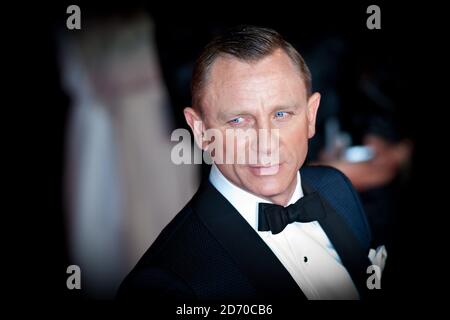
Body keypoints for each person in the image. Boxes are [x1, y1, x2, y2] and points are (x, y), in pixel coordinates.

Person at [118, 25, 385, 301]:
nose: (265, 143)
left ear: (310, 115)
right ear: (200, 131)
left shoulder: (337, 188)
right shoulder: (165, 283)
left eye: (281, 114)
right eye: (238, 120)